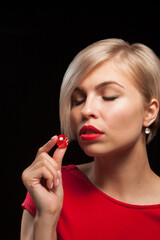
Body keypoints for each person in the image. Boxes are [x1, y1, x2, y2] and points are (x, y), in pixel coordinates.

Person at [20, 38, 160, 240]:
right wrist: (47, 218)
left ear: (149, 112)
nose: (86, 110)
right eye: (78, 100)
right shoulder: (50, 188)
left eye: (109, 96)